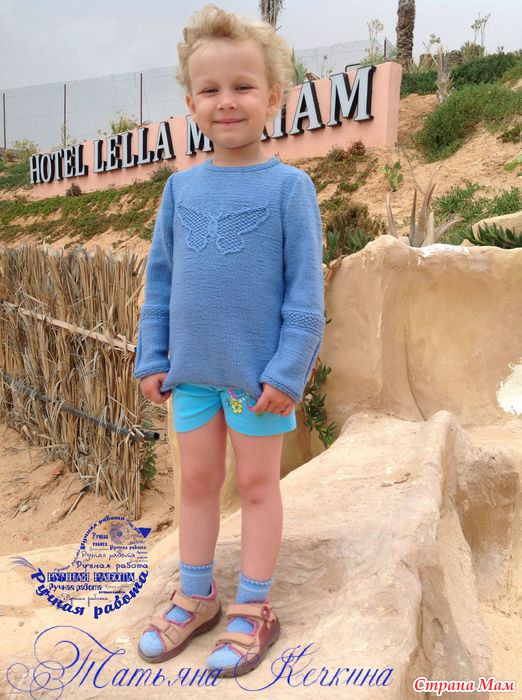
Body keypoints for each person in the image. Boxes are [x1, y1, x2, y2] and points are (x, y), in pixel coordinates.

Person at [133, 3, 325, 677]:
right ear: (191, 103)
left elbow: (305, 295)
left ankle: (253, 606)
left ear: (273, 97)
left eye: (243, 86)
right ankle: (196, 596)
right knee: (196, 481)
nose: (226, 101)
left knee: (257, 485)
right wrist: (152, 356)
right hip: (191, 375)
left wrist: (288, 372)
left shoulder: (290, 190)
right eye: (210, 89)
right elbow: (161, 282)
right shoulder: (180, 192)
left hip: (256, 380)